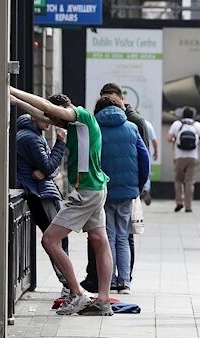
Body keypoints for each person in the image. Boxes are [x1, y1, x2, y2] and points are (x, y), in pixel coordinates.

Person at [10, 87, 114, 316]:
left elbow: (47, 110)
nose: (52, 123)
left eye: (55, 119)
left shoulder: (81, 115)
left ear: (63, 110)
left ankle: (77, 293)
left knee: (49, 240)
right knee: (99, 240)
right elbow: (43, 114)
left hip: (87, 191)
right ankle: (103, 300)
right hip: (97, 188)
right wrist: (15, 101)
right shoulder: (77, 125)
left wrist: (12, 89)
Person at [81, 83, 151, 293]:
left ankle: (109, 280)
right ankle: (125, 282)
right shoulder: (131, 127)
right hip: (127, 191)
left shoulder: (94, 128)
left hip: (103, 191)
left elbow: (87, 160)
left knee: (108, 236)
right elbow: (144, 158)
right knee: (123, 236)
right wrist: (137, 186)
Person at [16, 114, 69, 295]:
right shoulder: (31, 138)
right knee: (57, 238)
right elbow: (49, 166)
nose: (51, 123)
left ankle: (67, 283)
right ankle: (68, 284)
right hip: (41, 193)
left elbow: (50, 169)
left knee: (56, 238)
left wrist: (47, 170)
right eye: (46, 119)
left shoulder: (33, 134)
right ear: (33, 118)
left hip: (41, 190)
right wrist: (61, 142)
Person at [166, 107, 200, 212]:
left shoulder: (177, 124)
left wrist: (176, 139)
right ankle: (188, 206)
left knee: (178, 180)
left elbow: (168, 139)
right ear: (193, 115)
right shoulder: (197, 125)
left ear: (182, 115)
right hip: (193, 157)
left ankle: (179, 202)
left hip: (179, 157)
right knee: (189, 182)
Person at [140, 119, 159, 205]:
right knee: (146, 171)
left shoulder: (130, 123)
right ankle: (146, 190)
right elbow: (154, 140)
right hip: (145, 151)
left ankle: (138, 190)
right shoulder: (148, 124)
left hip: (132, 152)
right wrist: (156, 152)